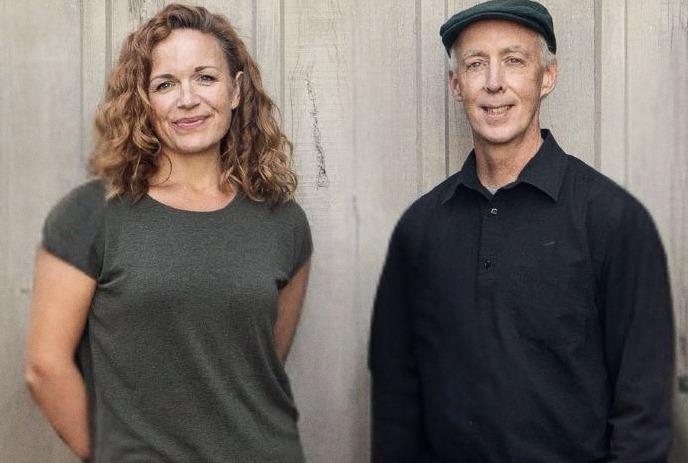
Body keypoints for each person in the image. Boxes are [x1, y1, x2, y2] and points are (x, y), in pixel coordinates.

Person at [369, 1, 674, 461]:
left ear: (547, 77)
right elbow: (396, 401)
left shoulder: (614, 220)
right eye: (475, 64)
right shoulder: (420, 230)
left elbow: (643, 407)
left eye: (514, 61)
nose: (494, 82)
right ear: (456, 84)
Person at [25, 4, 311, 462]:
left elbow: (261, 364)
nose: (187, 100)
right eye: (165, 84)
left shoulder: (284, 220)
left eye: (205, 77)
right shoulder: (90, 214)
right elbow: (46, 368)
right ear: (144, 100)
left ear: (236, 90)